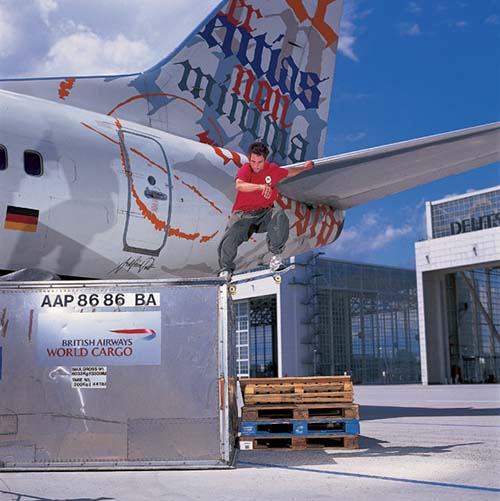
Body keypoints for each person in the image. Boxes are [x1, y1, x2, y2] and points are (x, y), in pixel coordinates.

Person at [218, 141, 314, 281]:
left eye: (260, 162)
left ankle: (276, 257)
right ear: (249, 158)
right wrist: (260, 187)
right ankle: (225, 269)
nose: (256, 166)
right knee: (230, 236)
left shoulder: (273, 170)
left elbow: (289, 172)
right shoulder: (246, 169)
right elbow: (240, 185)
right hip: (244, 215)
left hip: (264, 214)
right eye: (253, 161)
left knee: (279, 214)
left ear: (265, 159)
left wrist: (304, 168)